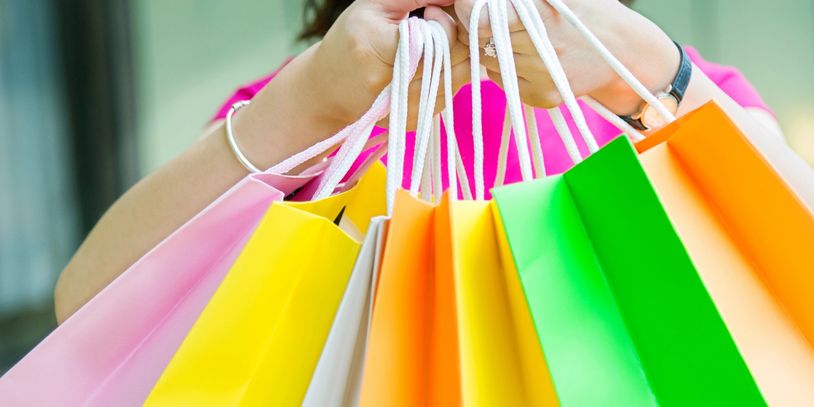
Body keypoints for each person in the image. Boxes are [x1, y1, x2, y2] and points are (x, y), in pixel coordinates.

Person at [54, 0, 788, 323]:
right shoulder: (299, 116)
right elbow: (86, 307)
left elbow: (796, 264)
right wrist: (309, 102)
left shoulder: (675, 91)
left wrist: (643, 69)